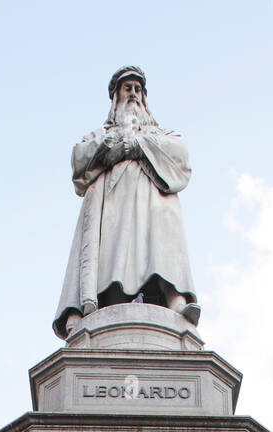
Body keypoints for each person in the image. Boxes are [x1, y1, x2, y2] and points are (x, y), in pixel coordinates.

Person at [52, 66, 199, 339]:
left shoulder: (159, 134)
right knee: (111, 250)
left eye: (137, 89)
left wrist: (137, 145)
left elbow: (180, 155)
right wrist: (114, 147)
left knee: (163, 227)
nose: (133, 94)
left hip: (151, 201)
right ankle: (102, 304)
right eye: (127, 88)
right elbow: (80, 160)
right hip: (111, 203)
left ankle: (175, 297)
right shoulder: (101, 134)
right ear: (116, 96)